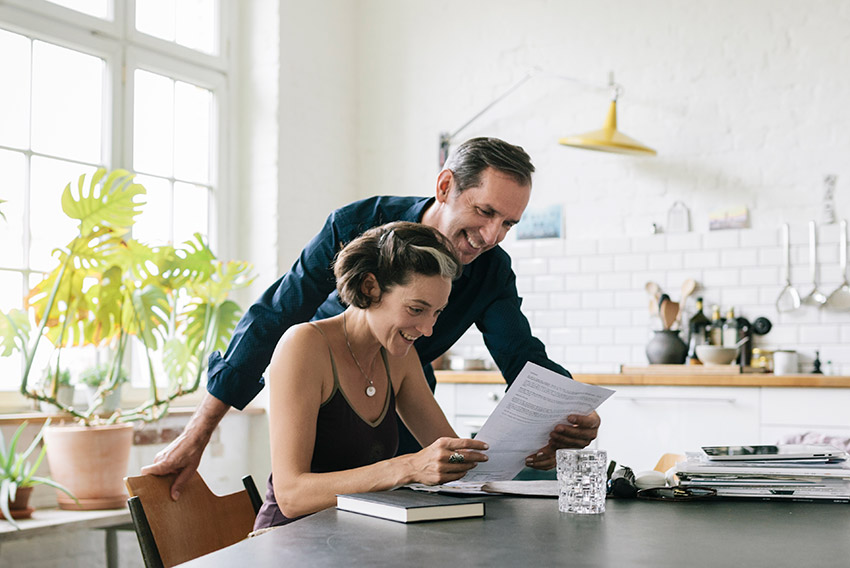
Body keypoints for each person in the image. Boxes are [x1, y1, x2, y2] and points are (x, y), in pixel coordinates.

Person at [142, 137, 601, 500]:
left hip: (402, 393)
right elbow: (275, 315)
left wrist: (566, 416)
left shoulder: (484, 277)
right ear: (446, 187)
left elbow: (522, 356)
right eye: (484, 212)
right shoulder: (355, 226)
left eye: (508, 224)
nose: (491, 236)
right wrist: (199, 432)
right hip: (323, 396)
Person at [253, 222, 488, 528]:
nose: (428, 329)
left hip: (354, 536)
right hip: (287, 540)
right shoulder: (304, 346)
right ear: (370, 288)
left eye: (437, 313)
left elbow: (451, 454)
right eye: (416, 309)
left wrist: (481, 457)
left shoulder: (398, 357)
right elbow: (291, 496)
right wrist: (408, 466)